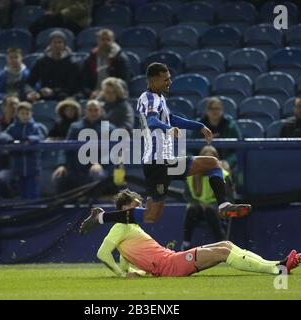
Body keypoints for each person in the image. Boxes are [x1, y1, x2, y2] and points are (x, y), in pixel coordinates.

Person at [80, 63, 251, 235]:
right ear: (153, 81)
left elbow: (172, 119)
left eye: (169, 78)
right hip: (157, 162)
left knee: (151, 215)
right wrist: (168, 129)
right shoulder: (149, 98)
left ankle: (101, 218)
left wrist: (199, 126)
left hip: (164, 161)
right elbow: (153, 120)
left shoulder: (158, 98)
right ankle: (223, 205)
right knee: (210, 164)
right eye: (166, 79)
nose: (169, 82)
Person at [96, 189, 301, 278]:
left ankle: (277, 263)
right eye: (135, 206)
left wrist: (132, 272)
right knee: (223, 252)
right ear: (124, 208)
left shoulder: (130, 228)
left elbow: (126, 259)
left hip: (171, 260)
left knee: (227, 245)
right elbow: (103, 253)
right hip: (171, 265)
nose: (141, 210)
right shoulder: (120, 226)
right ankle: (277, 270)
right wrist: (123, 275)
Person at [52, 100, 115, 193]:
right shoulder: (75, 127)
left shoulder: (108, 128)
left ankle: (94, 205)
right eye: (90, 110)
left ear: (101, 111)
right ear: (85, 111)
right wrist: (62, 165)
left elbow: (113, 151)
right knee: (58, 175)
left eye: (96, 110)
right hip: (76, 168)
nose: (93, 112)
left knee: (96, 173)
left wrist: (100, 164)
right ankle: (62, 205)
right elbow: (66, 148)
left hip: (101, 168)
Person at [182, 146, 235, 251]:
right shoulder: (190, 175)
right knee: (192, 209)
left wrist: (216, 205)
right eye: (205, 160)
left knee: (210, 210)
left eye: (210, 160)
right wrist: (199, 203)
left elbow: (229, 197)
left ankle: (222, 244)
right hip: (197, 207)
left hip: (216, 207)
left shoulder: (223, 175)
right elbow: (187, 195)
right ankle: (186, 244)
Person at [4, 102, 45, 199]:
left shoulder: (35, 127)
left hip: (33, 167)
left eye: (27, 113)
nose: (25, 116)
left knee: (33, 193)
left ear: (31, 114)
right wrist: (9, 140)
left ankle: (34, 213)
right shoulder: (12, 127)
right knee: (21, 193)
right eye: (22, 113)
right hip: (18, 166)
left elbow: (40, 137)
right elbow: (3, 136)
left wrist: (30, 140)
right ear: (17, 114)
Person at [26, 30, 80, 102]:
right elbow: (29, 82)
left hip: (64, 97)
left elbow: (72, 87)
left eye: (60, 42)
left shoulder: (72, 63)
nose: (57, 45)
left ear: (64, 45)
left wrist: (53, 92)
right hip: (43, 96)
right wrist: (30, 92)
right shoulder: (41, 62)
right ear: (50, 44)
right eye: (54, 42)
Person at [194, 97, 242, 171]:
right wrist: (196, 161)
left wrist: (228, 162)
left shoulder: (230, 125)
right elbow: (190, 149)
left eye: (217, 108)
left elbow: (238, 148)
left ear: (222, 110)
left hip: (223, 164)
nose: (214, 111)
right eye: (211, 108)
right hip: (202, 163)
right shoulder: (198, 126)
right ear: (207, 110)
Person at [82, 29, 131, 99]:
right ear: (98, 40)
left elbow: (123, 81)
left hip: (114, 95)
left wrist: (106, 93)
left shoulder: (120, 59)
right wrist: (90, 93)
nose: (105, 42)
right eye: (102, 39)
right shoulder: (90, 58)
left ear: (113, 40)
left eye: (108, 39)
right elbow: (84, 81)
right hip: (94, 95)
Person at [29, 0, 93, 36]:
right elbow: (52, 6)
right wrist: (50, 12)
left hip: (77, 22)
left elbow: (83, 8)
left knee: (52, 20)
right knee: (35, 26)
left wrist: (63, 13)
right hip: (58, 19)